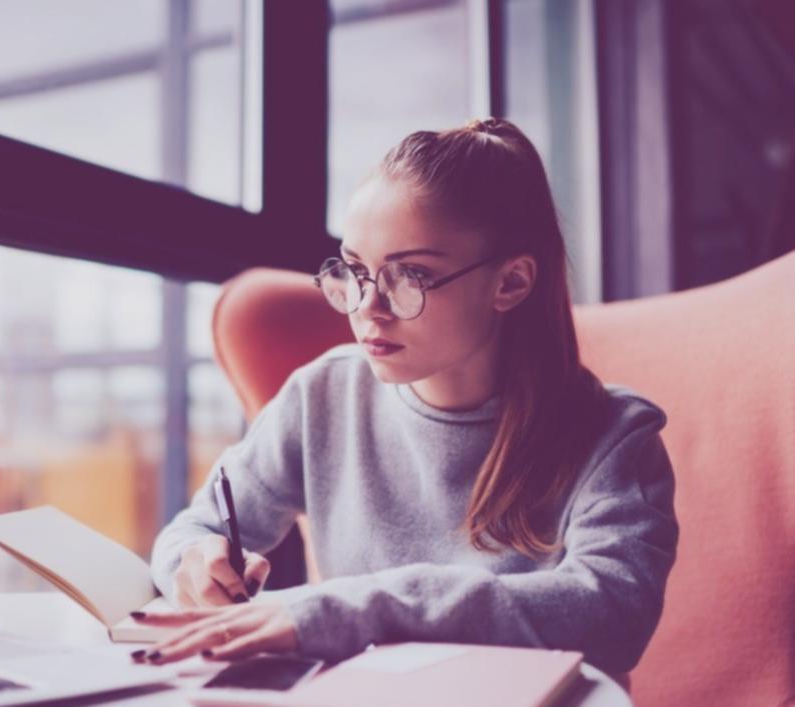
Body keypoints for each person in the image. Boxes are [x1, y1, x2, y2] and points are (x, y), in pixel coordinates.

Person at [129, 117, 679, 677]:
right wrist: (196, 565)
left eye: (409, 275)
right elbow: (193, 530)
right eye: (356, 270)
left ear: (510, 283)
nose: (367, 306)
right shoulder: (320, 396)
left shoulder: (614, 436)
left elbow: (612, 616)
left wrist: (368, 607)